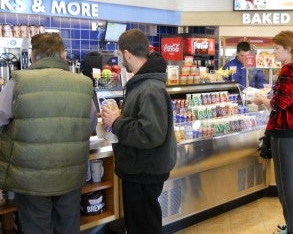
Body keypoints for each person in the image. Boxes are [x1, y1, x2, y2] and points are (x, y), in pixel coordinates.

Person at [0, 33, 97, 234]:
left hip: (30, 176)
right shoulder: (83, 83)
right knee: (68, 228)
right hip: (70, 173)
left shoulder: (18, 81)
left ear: (33, 56)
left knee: (37, 228)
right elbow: (89, 125)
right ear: (63, 54)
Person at [101, 29, 177, 234]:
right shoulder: (144, 83)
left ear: (127, 53)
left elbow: (150, 134)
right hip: (142, 167)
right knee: (141, 223)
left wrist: (117, 121)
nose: (120, 59)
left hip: (145, 169)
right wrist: (121, 117)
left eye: (119, 54)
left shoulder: (149, 87)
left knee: (143, 226)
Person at [252, 30, 293, 234]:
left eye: (277, 48)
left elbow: (280, 104)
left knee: (285, 187)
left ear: (289, 49)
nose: (274, 52)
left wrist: (262, 100)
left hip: (284, 134)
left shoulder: (288, 71)